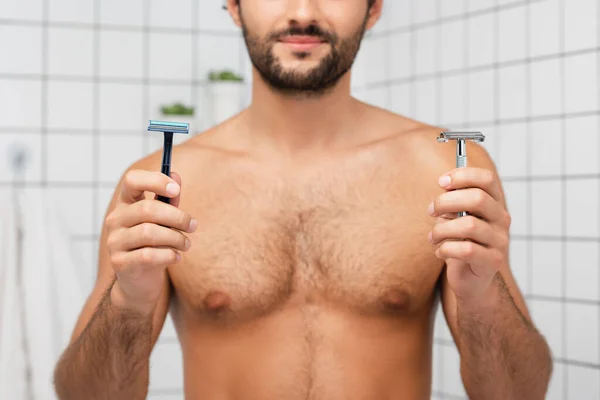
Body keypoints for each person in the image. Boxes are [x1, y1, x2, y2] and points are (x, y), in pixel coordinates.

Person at [53, 1, 553, 399]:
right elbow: (85, 396)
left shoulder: (446, 171)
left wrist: (483, 296)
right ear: (234, 6)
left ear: (374, 8)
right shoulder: (160, 185)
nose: (303, 12)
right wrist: (128, 302)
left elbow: (517, 395)